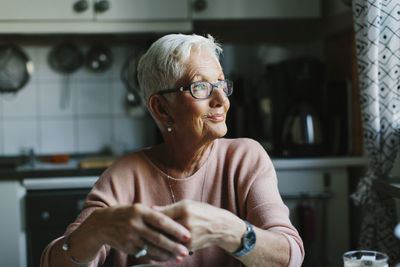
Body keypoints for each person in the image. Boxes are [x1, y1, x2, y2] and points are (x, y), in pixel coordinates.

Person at [41, 33, 304, 267]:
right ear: (161, 108)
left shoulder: (245, 158)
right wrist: (95, 229)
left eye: (221, 84)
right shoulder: (126, 174)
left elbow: (289, 256)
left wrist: (227, 230)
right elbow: (55, 261)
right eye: (200, 86)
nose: (222, 100)